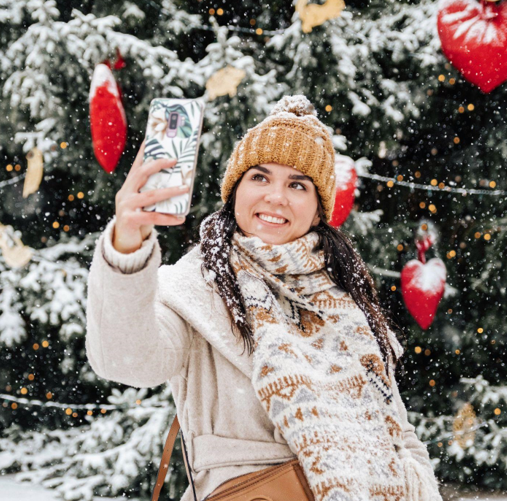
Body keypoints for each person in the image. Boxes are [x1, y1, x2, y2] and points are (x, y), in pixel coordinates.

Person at [85, 95, 442, 501]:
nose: (276, 196)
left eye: (297, 184)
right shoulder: (194, 286)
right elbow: (126, 360)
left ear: (318, 209)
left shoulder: (344, 297)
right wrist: (127, 249)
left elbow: (396, 427)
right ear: (235, 189)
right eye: (260, 177)